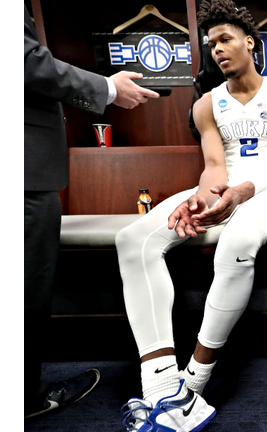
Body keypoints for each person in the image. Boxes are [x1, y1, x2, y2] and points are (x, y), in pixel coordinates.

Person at [116, 0, 267, 430]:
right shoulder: (206, 105)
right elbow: (215, 164)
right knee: (133, 239)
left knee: (237, 241)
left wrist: (237, 194)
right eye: (210, 43)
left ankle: (195, 379)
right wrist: (202, 197)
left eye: (225, 39)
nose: (217, 49)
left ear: (250, 43)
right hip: (226, 188)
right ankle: (162, 386)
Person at [24, 5, 159, 419]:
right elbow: (26, 62)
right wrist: (108, 88)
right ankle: (24, 399)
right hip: (23, 172)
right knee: (25, 291)